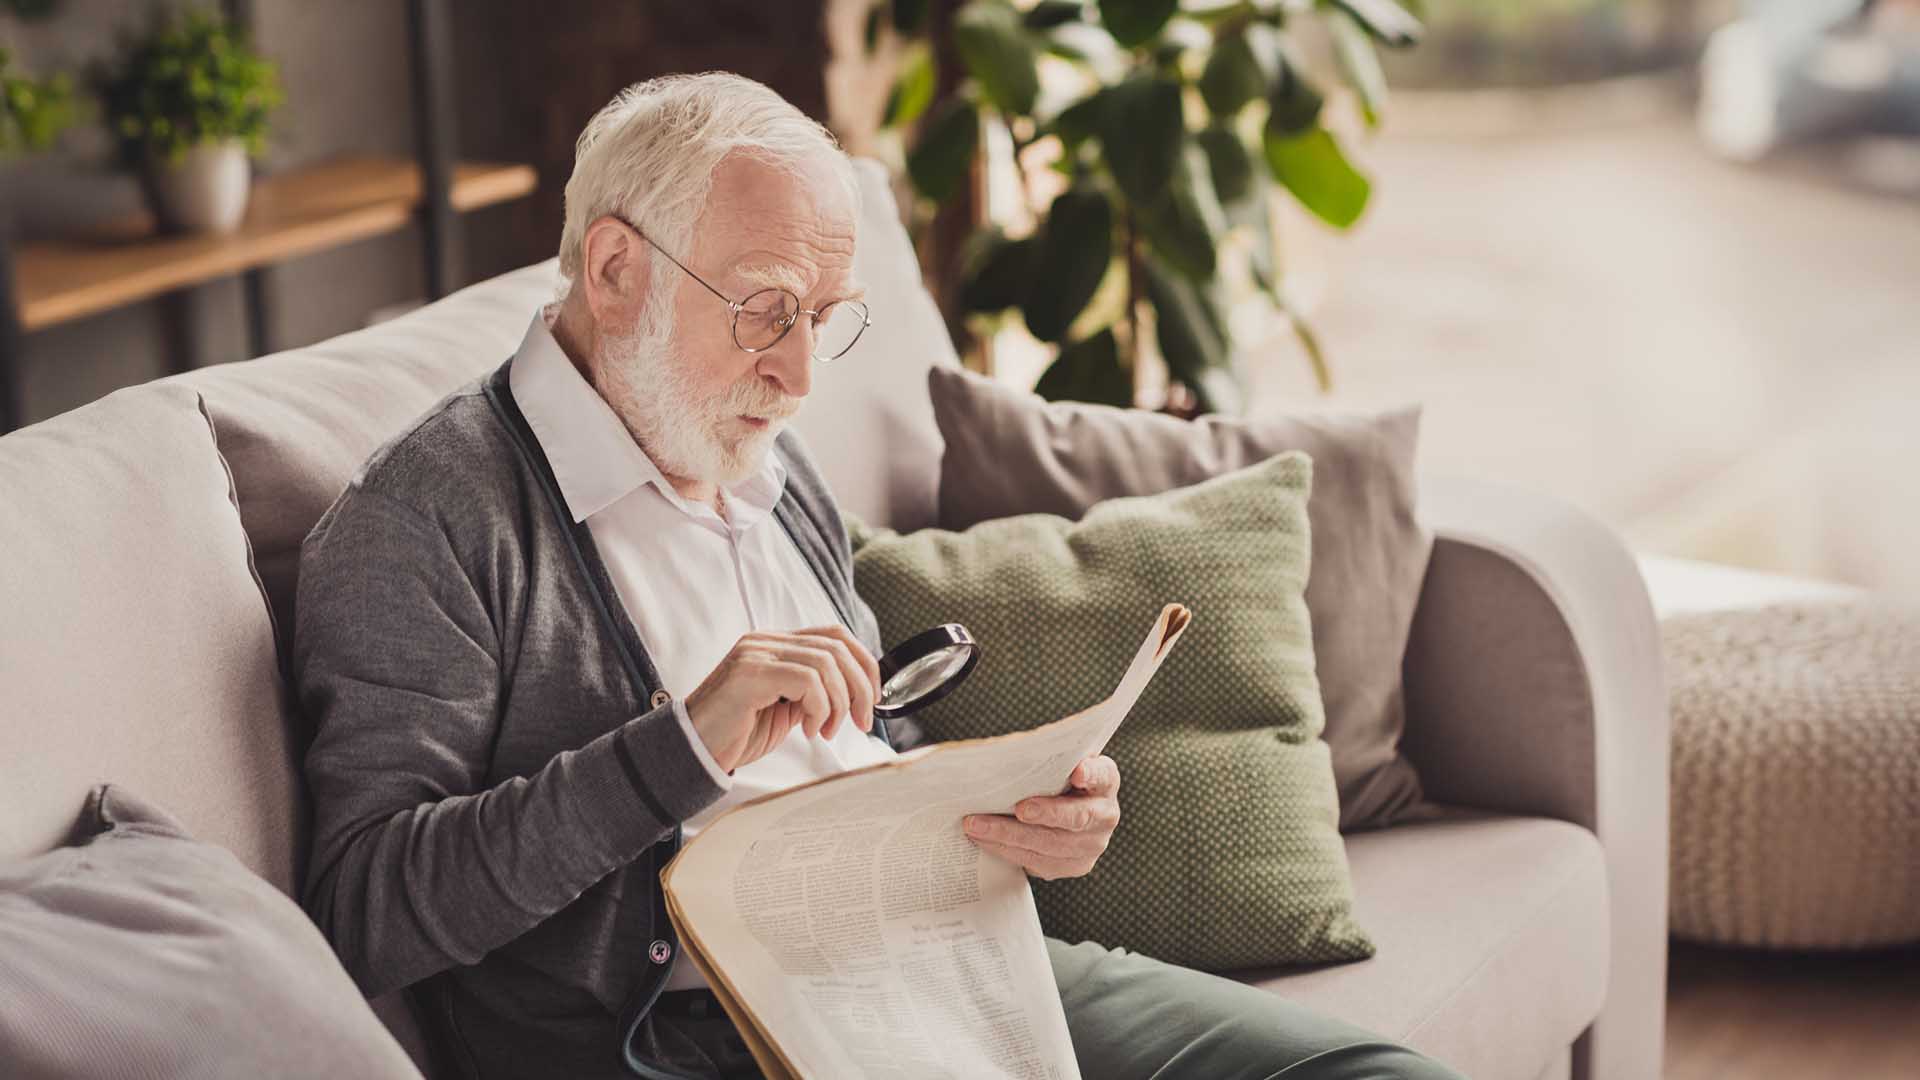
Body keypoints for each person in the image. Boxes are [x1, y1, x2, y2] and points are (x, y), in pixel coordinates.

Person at [293, 71, 1466, 1080]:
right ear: (613, 270)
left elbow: (862, 757)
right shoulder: (428, 519)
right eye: (765, 311)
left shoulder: (760, 453)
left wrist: (1008, 819)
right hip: (697, 1037)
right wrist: (681, 750)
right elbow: (363, 910)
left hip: (931, 956)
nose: (801, 375)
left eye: (826, 318)